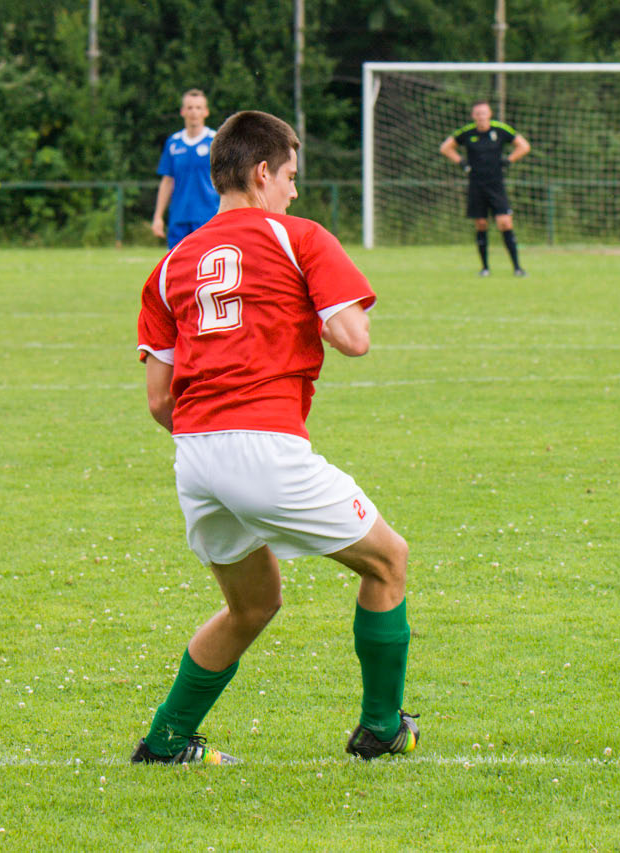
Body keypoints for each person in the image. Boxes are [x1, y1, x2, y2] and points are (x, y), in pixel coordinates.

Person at [133, 110, 418, 765]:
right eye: (291, 175)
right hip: (263, 444)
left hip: (194, 454)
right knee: (388, 561)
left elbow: (158, 400)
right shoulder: (301, 238)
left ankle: (167, 740)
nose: (294, 190)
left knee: (252, 604)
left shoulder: (171, 263)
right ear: (263, 172)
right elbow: (354, 338)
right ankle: (381, 728)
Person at [438, 100, 531, 277]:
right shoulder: (467, 132)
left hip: (496, 184)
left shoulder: (500, 130)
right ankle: (485, 268)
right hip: (476, 184)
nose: (481, 116)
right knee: (481, 223)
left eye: (484, 113)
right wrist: (462, 163)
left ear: (489, 114)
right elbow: (445, 148)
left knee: (505, 222)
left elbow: (524, 146)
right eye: (477, 113)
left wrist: (508, 160)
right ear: (473, 116)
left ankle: (517, 268)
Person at [151, 89, 220, 249]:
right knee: (176, 263)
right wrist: (158, 217)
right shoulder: (173, 143)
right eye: (190, 107)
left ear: (206, 112)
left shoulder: (215, 141)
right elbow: (167, 181)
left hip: (208, 217)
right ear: (183, 111)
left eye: (198, 107)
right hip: (179, 217)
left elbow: (226, 179)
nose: (194, 112)